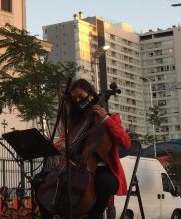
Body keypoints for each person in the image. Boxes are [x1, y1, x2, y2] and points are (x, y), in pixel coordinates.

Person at [38, 78, 131, 219]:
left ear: (91, 96)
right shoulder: (75, 123)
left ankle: (94, 216)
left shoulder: (111, 119)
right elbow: (61, 141)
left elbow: (126, 143)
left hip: (104, 170)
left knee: (104, 183)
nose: (77, 100)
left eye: (81, 96)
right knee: (40, 180)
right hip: (76, 167)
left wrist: (105, 119)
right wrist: (62, 142)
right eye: (74, 98)